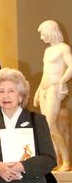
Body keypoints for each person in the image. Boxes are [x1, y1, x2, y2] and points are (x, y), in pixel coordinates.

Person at [35, 20, 72, 171]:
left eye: (43, 34)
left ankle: (67, 161)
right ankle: (56, 159)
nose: (42, 37)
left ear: (50, 32)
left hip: (54, 89)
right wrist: (38, 90)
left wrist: (62, 81)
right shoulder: (48, 51)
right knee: (46, 127)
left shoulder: (64, 48)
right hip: (45, 88)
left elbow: (71, 66)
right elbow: (45, 72)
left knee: (50, 126)